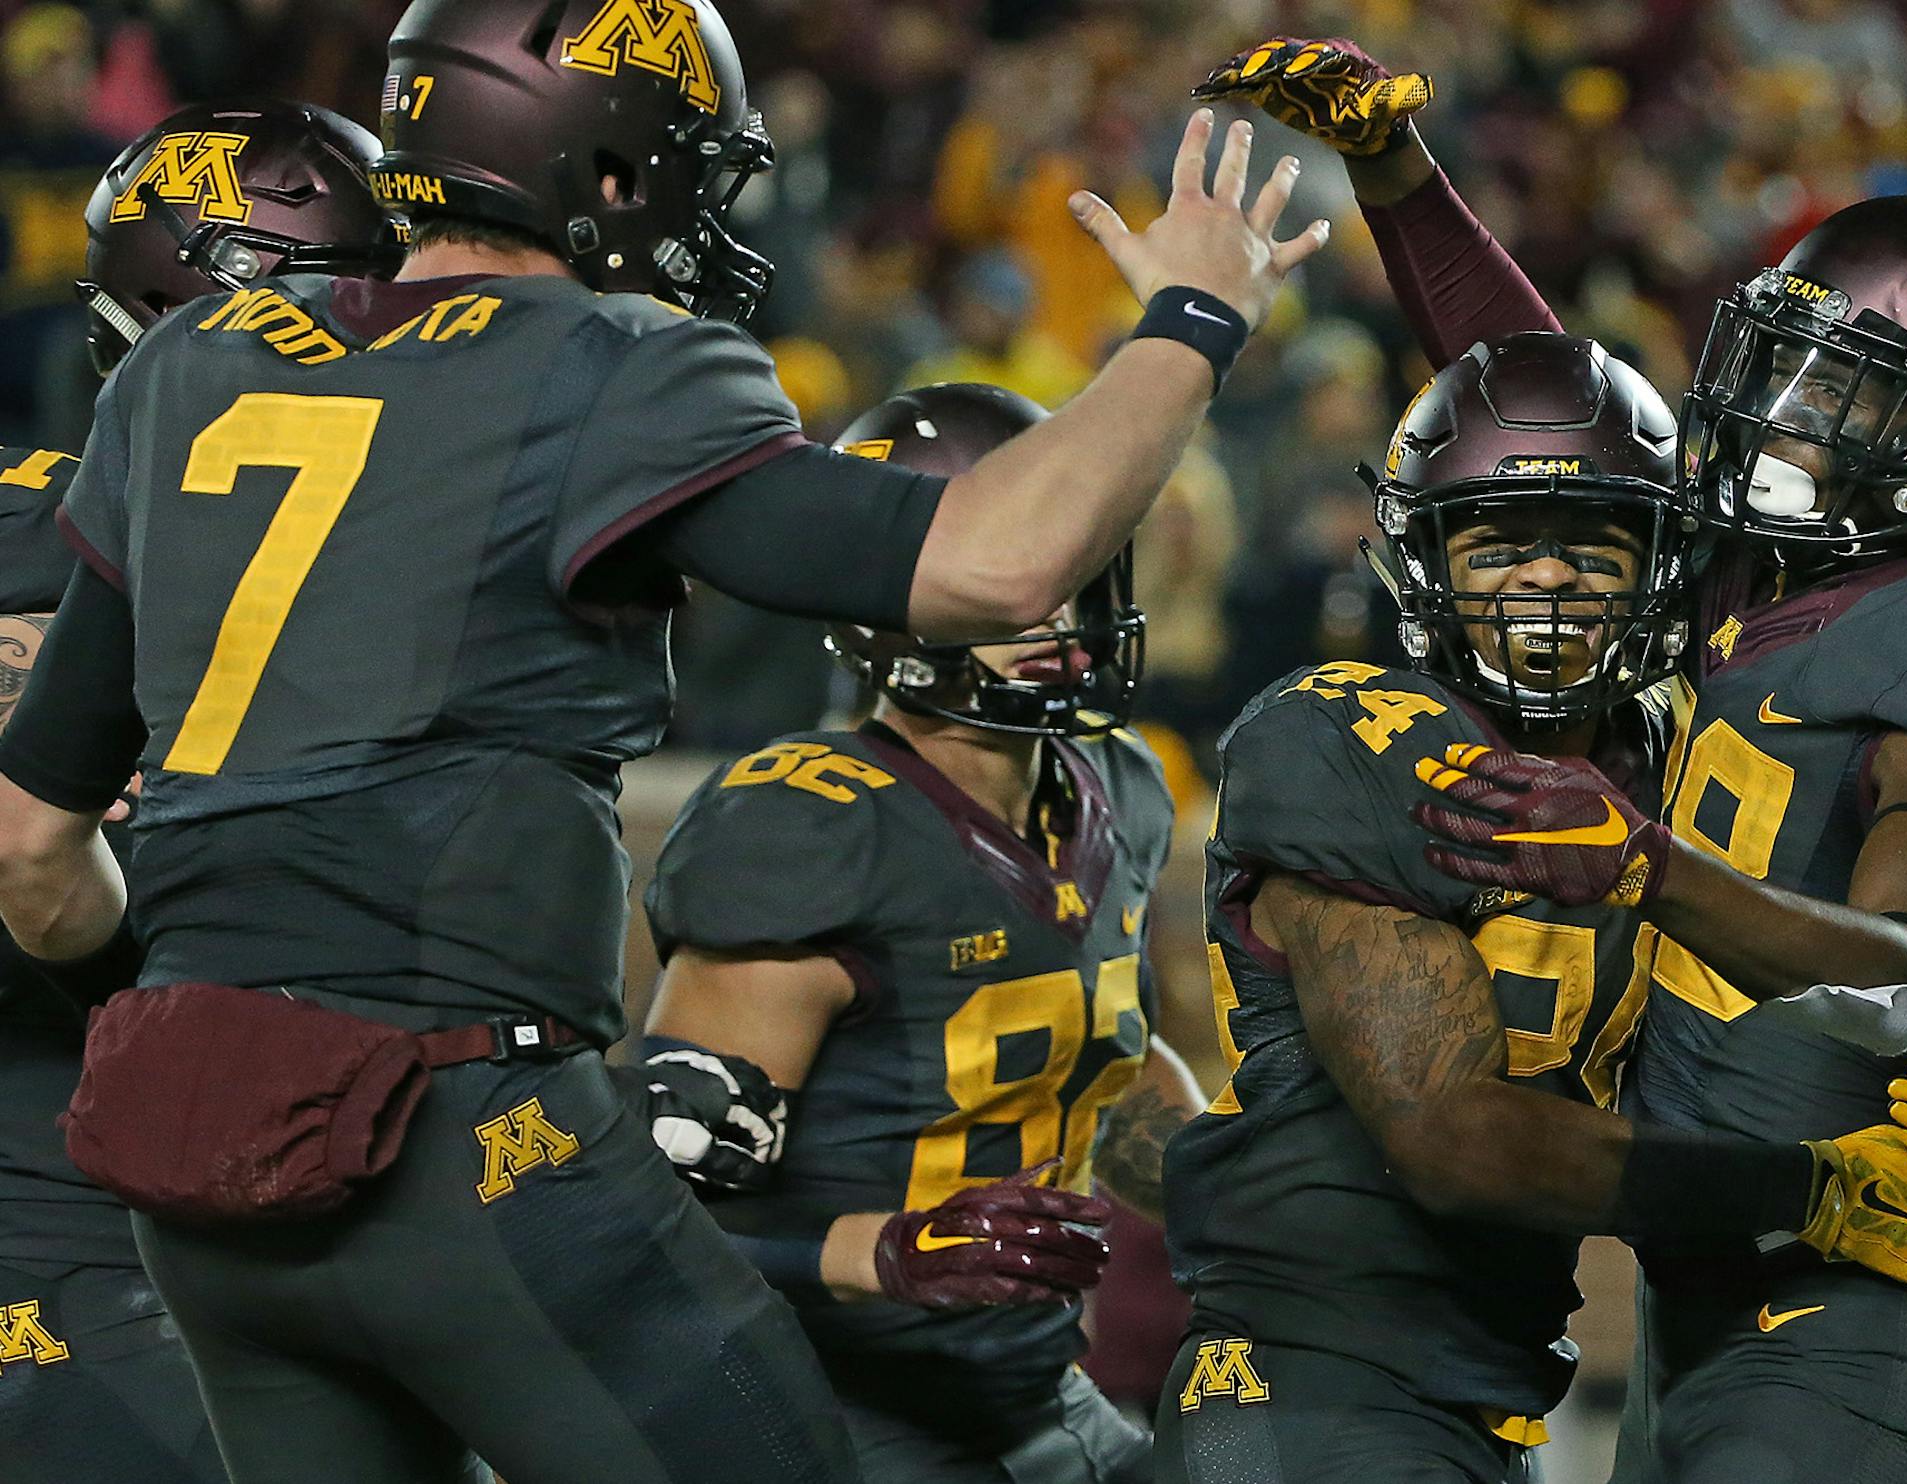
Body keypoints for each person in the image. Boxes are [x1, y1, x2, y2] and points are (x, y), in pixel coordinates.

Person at [0, 2, 1325, 1481]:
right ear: (615, 170)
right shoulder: (608, 362)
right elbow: (996, 564)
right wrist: (1194, 318)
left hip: (197, 1162)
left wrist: (225, 1006)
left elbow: (36, 857)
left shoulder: (183, 372)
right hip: (461, 1133)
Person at [1203, 35, 1907, 1483]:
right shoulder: (1778, 575)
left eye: (1848, 392)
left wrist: (1649, 869)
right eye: (1791, 361)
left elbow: (1895, 971)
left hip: (1863, 1277)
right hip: (1724, 1266)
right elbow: (1557, 440)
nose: (1788, 412)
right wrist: (1402, 181)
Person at [1156, 331, 1907, 1484]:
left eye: (1590, 544)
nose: (1547, 579)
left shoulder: (1677, 758)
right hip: (1301, 1375)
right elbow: (1452, 1137)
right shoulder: (1339, 737)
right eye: (1499, 543)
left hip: (1488, 1393)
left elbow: (1779, 974)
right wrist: (1810, 1188)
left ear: (1661, 561)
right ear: (1422, 556)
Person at [635, 382, 1205, 1484]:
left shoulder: (1119, 789)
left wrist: (1255, 1191)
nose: (1051, 594)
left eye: (1069, 553)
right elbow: (653, 1212)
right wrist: (882, 1251)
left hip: (1034, 1388)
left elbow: (1096, 1067)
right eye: (1013, 556)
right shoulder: (811, 823)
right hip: (823, 1399)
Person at [0, 95, 395, 1484]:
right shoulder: (35, 540)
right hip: (70, 1229)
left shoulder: (419, 549)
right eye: (351, 292)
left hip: (294, 1218)